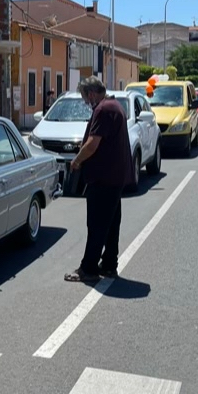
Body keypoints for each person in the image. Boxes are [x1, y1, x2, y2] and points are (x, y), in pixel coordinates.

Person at [65, 76, 133, 283]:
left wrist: (76, 161)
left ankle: (89, 268)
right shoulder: (115, 106)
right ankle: (109, 264)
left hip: (103, 177)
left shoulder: (103, 110)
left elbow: (93, 144)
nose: (86, 103)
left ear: (92, 93)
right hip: (115, 176)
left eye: (86, 98)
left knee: (96, 224)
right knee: (111, 224)